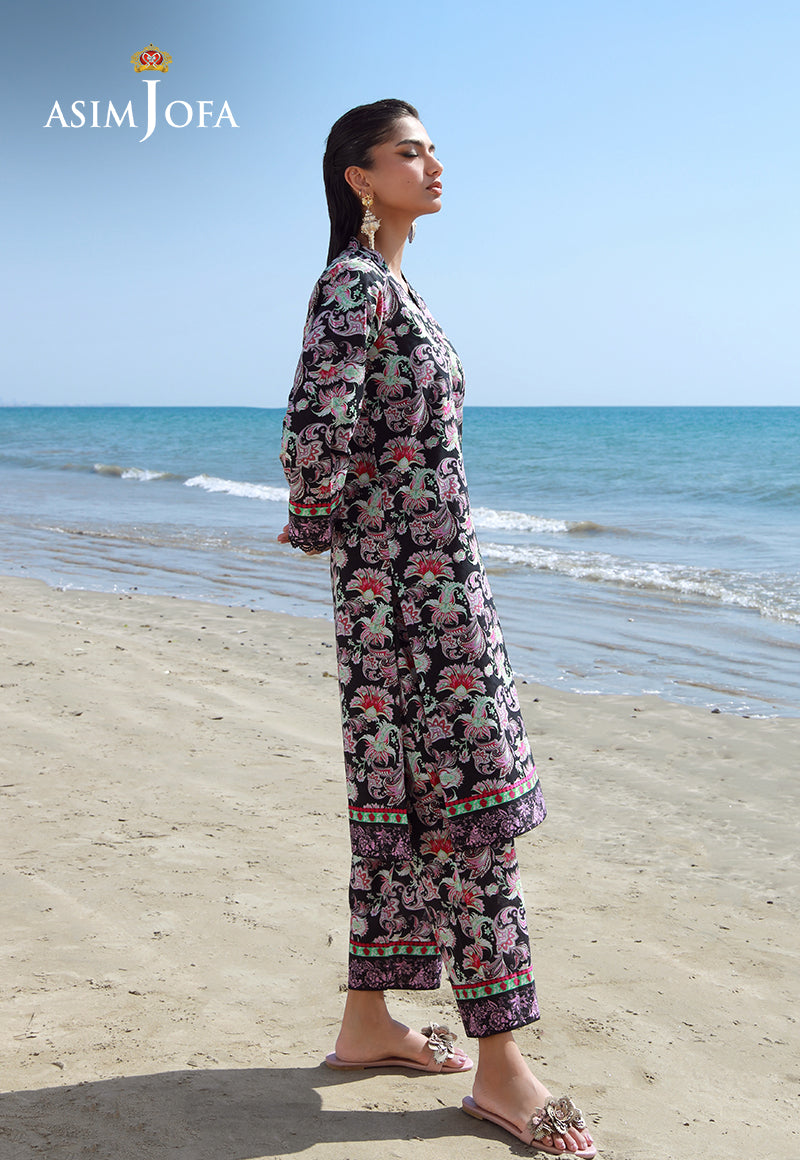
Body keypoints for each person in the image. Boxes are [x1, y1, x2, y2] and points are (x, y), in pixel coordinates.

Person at [278, 99, 596, 1157]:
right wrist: (335, 530)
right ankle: (502, 1070)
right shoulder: (355, 285)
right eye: (409, 151)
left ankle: (367, 1023)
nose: (432, 163)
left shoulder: (392, 285)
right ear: (359, 177)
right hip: (413, 603)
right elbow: (312, 428)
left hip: (419, 588)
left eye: (431, 147)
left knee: (404, 807)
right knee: (474, 814)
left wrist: (355, 539)